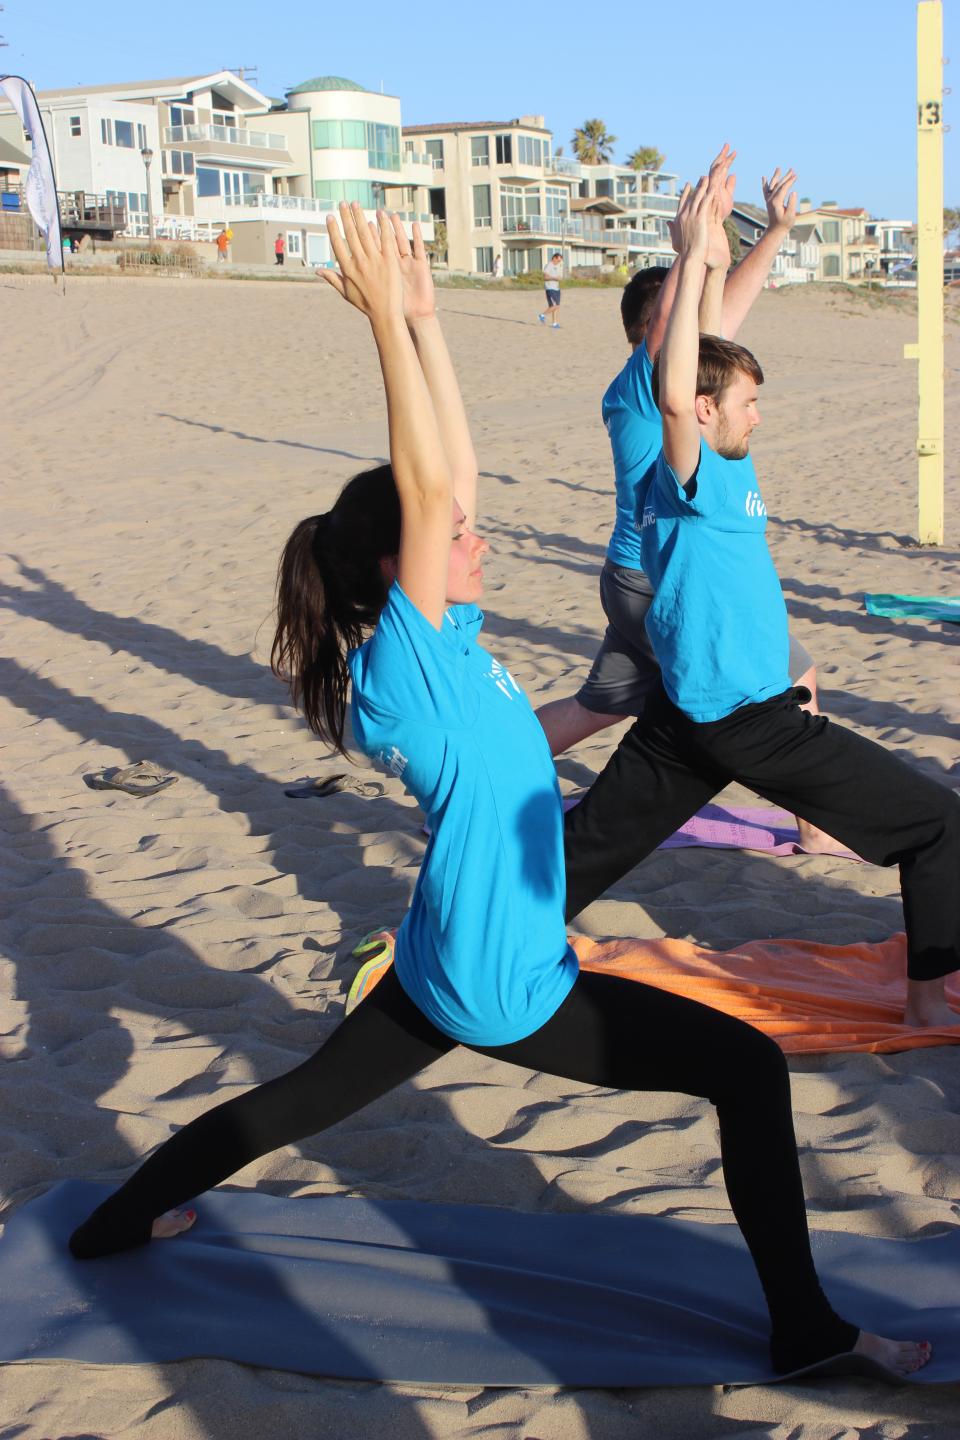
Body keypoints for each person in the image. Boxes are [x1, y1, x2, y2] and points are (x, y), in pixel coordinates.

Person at [67, 201, 930, 1381]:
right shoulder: (409, 655)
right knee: (748, 1072)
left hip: (442, 947)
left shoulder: (444, 643)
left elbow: (450, 473)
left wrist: (428, 325)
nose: (476, 536)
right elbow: (432, 486)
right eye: (452, 537)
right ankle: (809, 1330)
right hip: (500, 975)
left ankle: (119, 1221)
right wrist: (382, 327)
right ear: (397, 565)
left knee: (303, 1100)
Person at [562, 174, 960, 1031]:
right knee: (940, 828)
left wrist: (757, 238)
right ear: (699, 403)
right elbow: (679, 377)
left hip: (699, 707)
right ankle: (927, 1002)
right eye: (748, 402)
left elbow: (708, 348)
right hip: (728, 691)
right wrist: (690, 253)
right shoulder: (671, 434)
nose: (760, 414)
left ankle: (470, 923)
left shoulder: (728, 457)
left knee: (589, 841)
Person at [536, 148, 840, 854]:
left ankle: (489, 771)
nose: (698, 326)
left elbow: (727, 307)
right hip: (659, 582)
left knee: (598, 705)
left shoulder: (669, 379)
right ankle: (818, 830)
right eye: (676, 323)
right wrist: (692, 250)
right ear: (652, 333)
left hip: (635, 576)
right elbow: (681, 313)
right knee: (791, 677)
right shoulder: (646, 386)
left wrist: (771, 233)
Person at [539, 251, 563, 327]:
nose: (558, 262)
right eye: (558, 260)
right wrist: (554, 278)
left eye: (560, 261)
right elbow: (545, 277)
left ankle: (554, 323)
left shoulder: (558, 266)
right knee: (555, 305)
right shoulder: (549, 265)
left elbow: (558, 276)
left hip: (556, 288)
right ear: (554, 258)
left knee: (556, 306)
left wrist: (558, 278)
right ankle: (542, 315)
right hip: (550, 288)